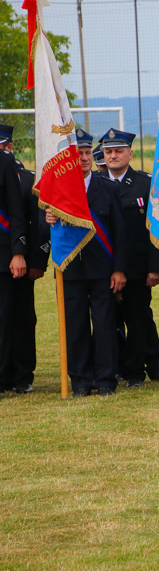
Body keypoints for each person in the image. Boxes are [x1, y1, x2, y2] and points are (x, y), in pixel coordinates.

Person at [45, 129, 128, 397]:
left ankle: (105, 380)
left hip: (102, 269)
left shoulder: (109, 188)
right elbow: (48, 230)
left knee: (104, 325)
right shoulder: (58, 191)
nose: (82, 158)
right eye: (77, 154)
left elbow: (120, 233)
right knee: (75, 325)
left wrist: (119, 268)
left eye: (85, 153)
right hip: (71, 268)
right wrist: (49, 218)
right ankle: (80, 379)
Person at [97, 128, 159, 387]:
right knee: (107, 322)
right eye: (108, 151)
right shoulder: (96, 183)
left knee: (138, 320)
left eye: (118, 151)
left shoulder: (146, 184)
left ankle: (136, 373)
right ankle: (113, 368)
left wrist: (155, 267)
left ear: (130, 153)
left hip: (138, 267)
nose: (113, 156)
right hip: (104, 267)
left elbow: (155, 229)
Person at [0, 124, 50, 394]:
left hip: (10, 258)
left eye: (4, 144)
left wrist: (29, 258)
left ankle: (19, 375)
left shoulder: (20, 174)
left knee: (17, 318)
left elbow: (31, 221)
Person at [0, 124, 28, 394]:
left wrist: (18, 252)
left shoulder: (6, 162)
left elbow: (16, 212)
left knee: (3, 319)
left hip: (1, 256)